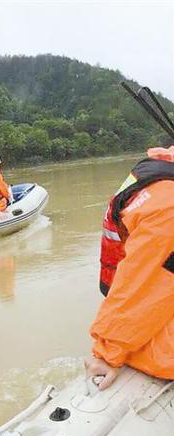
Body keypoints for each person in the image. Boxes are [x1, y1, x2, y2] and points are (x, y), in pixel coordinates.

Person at [86, 146, 174, 390]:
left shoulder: (158, 169)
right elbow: (146, 284)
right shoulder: (169, 209)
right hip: (154, 341)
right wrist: (109, 353)